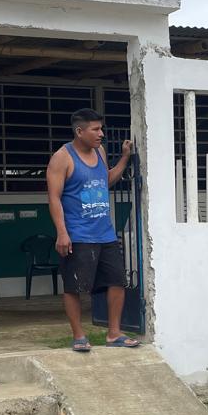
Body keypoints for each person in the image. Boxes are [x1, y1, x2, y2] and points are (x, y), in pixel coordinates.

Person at [46, 108, 138, 352]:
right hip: (78, 234)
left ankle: (114, 334)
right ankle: (79, 336)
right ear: (79, 131)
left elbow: (105, 181)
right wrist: (62, 232)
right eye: (95, 129)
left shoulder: (100, 151)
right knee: (74, 287)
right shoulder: (62, 158)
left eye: (101, 129)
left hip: (105, 233)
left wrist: (125, 158)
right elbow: (54, 198)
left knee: (117, 281)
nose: (101, 134)